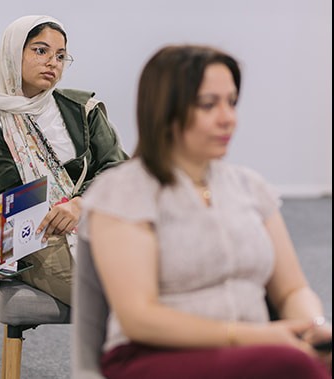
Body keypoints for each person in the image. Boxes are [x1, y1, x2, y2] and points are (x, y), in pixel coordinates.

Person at [79, 45, 332, 378]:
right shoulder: (125, 191)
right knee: (293, 366)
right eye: (208, 105)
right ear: (165, 111)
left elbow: (292, 290)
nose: (227, 117)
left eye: (231, 102)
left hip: (255, 349)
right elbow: (139, 318)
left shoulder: (249, 187)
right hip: (151, 356)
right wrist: (256, 337)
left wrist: (313, 328)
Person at [0, 15, 128, 306]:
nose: (52, 62)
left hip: (98, 220)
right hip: (33, 241)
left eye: (60, 55)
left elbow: (119, 170)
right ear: (13, 52)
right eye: (40, 50)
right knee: (114, 296)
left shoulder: (83, 110)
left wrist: (81, 203)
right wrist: (7, 248)